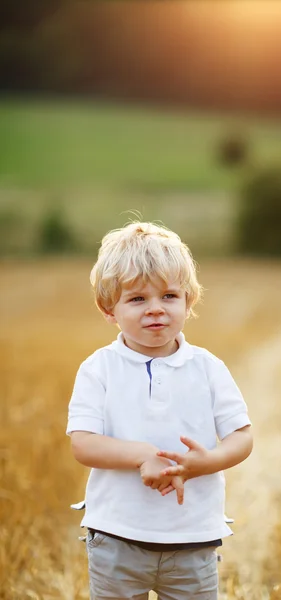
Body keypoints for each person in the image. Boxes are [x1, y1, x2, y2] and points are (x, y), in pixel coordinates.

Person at [67, 221, 253, 600]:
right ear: (109, 309)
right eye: (137, 299)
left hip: (194, 538)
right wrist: (143, 456)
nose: (155, 310)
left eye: (169, 296)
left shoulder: (208, 367)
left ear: (189, 301)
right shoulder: (98, 368)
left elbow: (242, 436)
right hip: (116, 538)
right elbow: (83, 444)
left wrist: (203, 463)